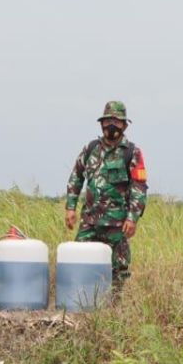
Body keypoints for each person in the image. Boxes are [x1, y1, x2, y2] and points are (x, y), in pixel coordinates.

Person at [64, 101, 148, 286]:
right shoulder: (90, 149)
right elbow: (76, 177)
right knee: (79, 261)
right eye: (108, 121)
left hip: (117, 223)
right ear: (101, 123)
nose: (111, 125)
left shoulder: (132, 153)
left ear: (124, 125)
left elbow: (139, 187)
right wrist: (71, 208)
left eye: (116, 122)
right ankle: (82, 303)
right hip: (90, 221)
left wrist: (132, 218)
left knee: (118, 269)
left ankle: (115, 307)